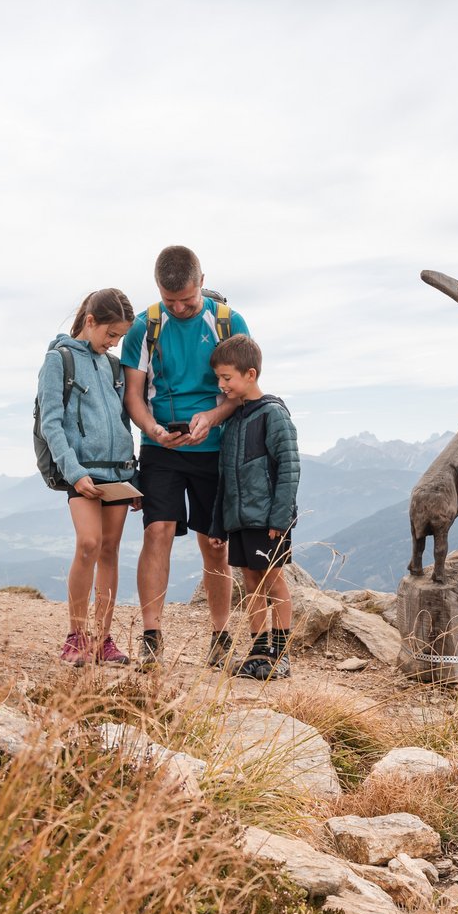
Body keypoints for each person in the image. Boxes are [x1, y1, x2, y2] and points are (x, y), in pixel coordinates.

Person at [119, 246, 250, 666]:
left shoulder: (229, 322)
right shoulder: (145, 326)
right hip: (162, 448)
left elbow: (239, 390)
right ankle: (152, 636)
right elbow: (134, 397)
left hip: (214, 447)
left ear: (202, 283)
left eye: (187, 301)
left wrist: (211, 417)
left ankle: (220, 636)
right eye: (169, 300)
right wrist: (153, 429)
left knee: (214, 544)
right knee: (156, 532)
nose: (178, 308)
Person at [36, 288, 139, 666]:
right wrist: (74, 472)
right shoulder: (58, 360)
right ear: (90, 321)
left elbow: (121, 422)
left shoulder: (112, 367)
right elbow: (51, 423)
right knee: (88, 545)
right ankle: (76, 637)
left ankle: (104, 639)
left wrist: (134, 476)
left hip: (119, 473)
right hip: (82, 474)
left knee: (110, 551)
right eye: (110, 335)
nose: (113, 344)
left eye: (120, 338)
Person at [205, 334, 299, 680]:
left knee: (273, 581)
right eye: (219, 378)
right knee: (251, 583)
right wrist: (218, 524)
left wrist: (280, 516)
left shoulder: (272, 414)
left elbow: (289, 466)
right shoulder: (233, 421)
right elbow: (224, 479)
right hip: (241, 521)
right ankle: (259, 653)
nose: (222, 384)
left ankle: (283, 654)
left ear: (250, 374)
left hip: (268, 519)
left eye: (227, 378)